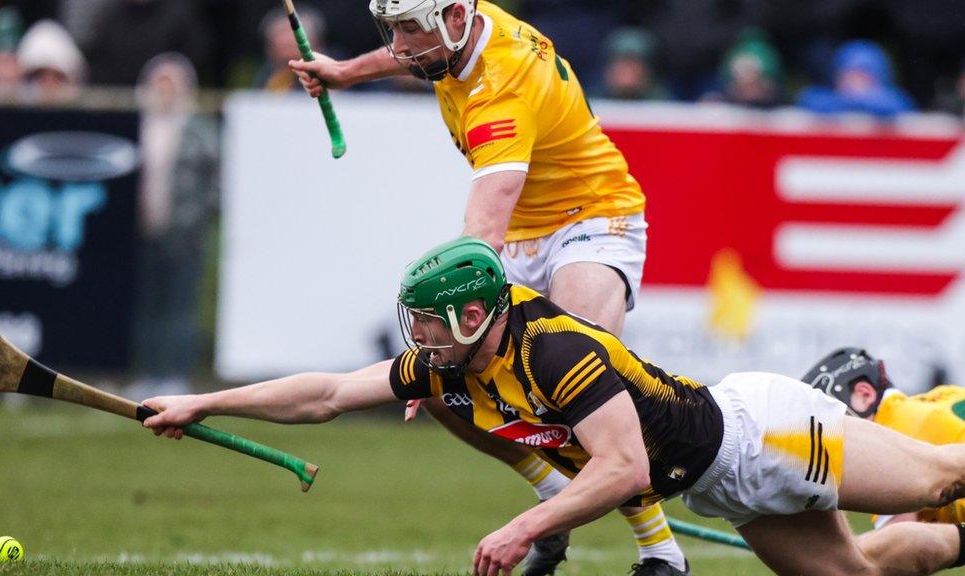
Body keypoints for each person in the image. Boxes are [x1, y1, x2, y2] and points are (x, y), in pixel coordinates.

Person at [143, 236, 965, 576]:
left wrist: (525, 527)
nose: (418, 336)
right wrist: (204, 402)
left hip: (767, 437)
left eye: (429, 322)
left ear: (473, 314)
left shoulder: (555, 349)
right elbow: (325, 393)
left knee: (939, 478)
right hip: (719, 486)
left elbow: (624, 468)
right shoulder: (457, 363)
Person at [288, 2, 671, 574]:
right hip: (522, 232)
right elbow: (416, 55)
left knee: (570, 377)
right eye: (392, 30)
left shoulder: (502, 88)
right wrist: (345, 71)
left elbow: (480, 235)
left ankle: (660, 552)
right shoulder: (454, 33)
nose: (399, 44)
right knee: (442, 385)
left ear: (454, 19)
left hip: (590, 217)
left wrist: (452, 327)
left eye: (408, 30)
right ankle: (551, 495)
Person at [129, 52, 219, 401]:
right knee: (147, 308)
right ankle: (148, 372)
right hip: (144, 230)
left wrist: (196, 219)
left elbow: (215, 181)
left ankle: (175, 374)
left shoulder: (198, 129)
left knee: (180, 307)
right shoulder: (141, 126)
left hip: (185, 234)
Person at [802, 347, 965, 528]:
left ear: (864, 395)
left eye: (834, 418)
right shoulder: (945, 395)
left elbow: (899, 541)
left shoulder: (892, 437)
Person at [798, 39, 916, 118]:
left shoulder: (893, 99)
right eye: (849, 75)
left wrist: (861, 99)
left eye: (862, 75)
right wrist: (847, 99)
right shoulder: (822, 99)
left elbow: (899, 106)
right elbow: (809, 99)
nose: (854, 81)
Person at [254, 6, 327, 91]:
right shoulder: (266, 76)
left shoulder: (332, 73)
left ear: (316, 43)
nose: (286, 40)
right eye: (280, 34)